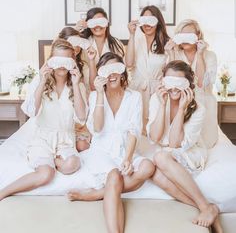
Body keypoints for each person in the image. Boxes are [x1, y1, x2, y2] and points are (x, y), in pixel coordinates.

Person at [68, 52, 155, 233]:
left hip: (125, 149)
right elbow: (97, 128)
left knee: (147, 167)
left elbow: (134, 131)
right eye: (108, 70)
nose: (112, 75)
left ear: (123, 72)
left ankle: (95, 194)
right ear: (101, 74)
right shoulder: (94, 96)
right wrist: (99, 94)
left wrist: (128, 158)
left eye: (116, 69)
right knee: (114, 175)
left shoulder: (135, 97)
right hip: (101, 151)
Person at [0, 39, 87, 200]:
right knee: (46, 174)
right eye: (57, 60)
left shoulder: (78, 85)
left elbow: (82, 117)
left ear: (72, 62)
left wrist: (76, 84)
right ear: (50, 60)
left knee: (72, 165)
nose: (61, 66)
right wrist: (42, 81)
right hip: (42, 139)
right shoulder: (39, 82)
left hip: (65, 140)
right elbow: (31, 112)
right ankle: (3, 192)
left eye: (66, 60)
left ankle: (54, 160)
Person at [147, 60, 221, 231]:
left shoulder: (198, 109)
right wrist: (162, 105)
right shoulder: (156, 100)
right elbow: (155, 136)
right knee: (155, 174)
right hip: (167, 154)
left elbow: (175, 144)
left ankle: (204, 205)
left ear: (188, 85)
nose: (173, 88)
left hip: (188, 151)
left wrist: (181, 109)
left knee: (159, 157)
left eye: (178, 83)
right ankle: (207, 207)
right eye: (169, 82)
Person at [165, 19, 218, 148]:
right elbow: (171, 83)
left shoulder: (210, 56)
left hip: (204, 102)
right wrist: (171, 53)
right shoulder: (175, 54)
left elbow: (201, 83)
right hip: (181, 104)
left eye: (189, 35)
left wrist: (200, 54)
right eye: (181, 35)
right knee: (180, 142)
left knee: (204, 143)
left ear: (198, 35)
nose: (184, 39)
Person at [126, 5, 169, 134]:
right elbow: (129, 63)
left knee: (155, 123)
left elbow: (171, 70)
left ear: (158, 22)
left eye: (151, 20)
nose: (147, 24)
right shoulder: (136, 40)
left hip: (157, 90)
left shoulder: (167, 43)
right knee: (137, 125)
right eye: (144, 20)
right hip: (137, 88)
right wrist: (132, 35)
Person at [76, 7, 125, 90]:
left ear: (106, 23)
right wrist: (76, 30)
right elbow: (62, 46)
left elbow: (123, 70)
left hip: (111, 91)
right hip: (87, 91)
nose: (97, 25)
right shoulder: (82, 44)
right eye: (93, 22)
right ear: (88, 24)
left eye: (101, 21)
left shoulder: (117, 44)